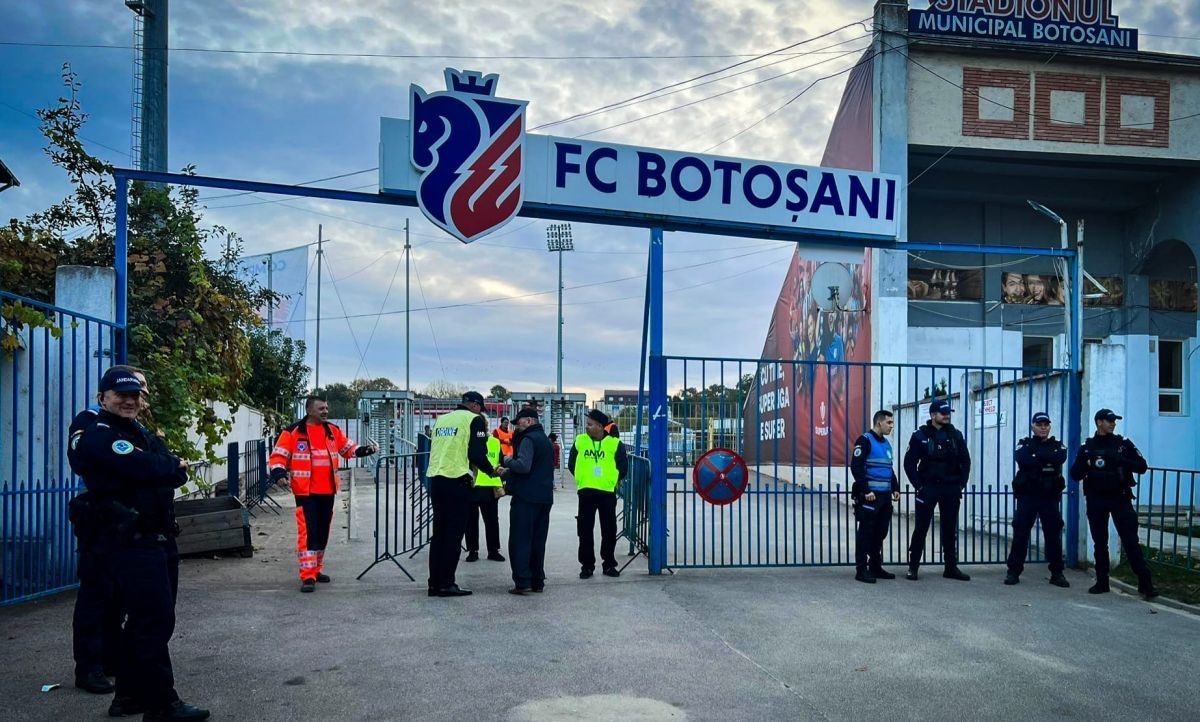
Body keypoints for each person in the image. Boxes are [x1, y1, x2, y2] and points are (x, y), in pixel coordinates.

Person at [70, 367, 209, 721]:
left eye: (135, 395)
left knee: (153, 622)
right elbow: (146, 465)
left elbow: (173, 469)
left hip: (158, 534)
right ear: (103, 398)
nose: (130, 400)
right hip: (131, 541)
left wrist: (160, 467)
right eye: (121, 395)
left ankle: (129, 697)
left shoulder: (139, 431)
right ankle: (162, 704)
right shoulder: (98, 432)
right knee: (151, 620)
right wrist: (160, 467)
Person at [67, 364, 146, 697]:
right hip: (100, 524)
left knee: (118, 598)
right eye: (128, 391)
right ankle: (88, 667)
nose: (136, 397)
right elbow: (84, 460)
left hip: (125, 526)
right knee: (95, 597)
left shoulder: (133, 426)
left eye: (139, 392)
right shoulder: (89, 422)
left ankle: (111, 659)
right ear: (104, 396)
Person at [269, 396, 377, 593]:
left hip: (328, 490)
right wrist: (278, 473)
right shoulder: (293, 431)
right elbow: (278, 455)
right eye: (321, 408)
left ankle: (317, 569)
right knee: (308, 532)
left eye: (327, 408)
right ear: (310, 410)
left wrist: (365, 450)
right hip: (305, 491)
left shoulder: (332, 431)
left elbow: (348, 449)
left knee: (322, 531)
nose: (326, 411)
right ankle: (307, 575)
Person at [1070, 409, 1156, 599]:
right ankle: (1102, 582)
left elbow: (1142, 466)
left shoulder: (1122, 444)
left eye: (1114, 421)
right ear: (1099, 422)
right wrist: (1087, 464)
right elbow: (1075, 474)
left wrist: (1120, 460)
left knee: (1130, 541)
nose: (1112, 424)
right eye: (1109, 421)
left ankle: (1145, 583)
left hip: (1120, 498)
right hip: (1096, 500)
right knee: (1100, 543)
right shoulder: (1088, 446)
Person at [425, 391, 499, 597]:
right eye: (481, 408)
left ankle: (434, 582)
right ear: (475, 405)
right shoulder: (473, 420)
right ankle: (447, 583)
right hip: (458, 479)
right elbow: (477, 453)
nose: (481, 413)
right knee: (454, 534)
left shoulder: (442, 420)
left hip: (437, 479)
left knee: (439, 534)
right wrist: (491, 470)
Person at [903, 398, 972, 581]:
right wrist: (919, 486)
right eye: (943, 413)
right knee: (921, 528)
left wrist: (961, 484)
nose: (946, 415)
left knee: (949, 529)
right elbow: (909, 463)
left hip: (950, 487)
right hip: (929, 487)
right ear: (933, 415)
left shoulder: (956, 435)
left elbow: (965, 461)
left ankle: (951, 567)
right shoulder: (920, 435)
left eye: (948, 413)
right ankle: (913, 567)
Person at [1005, 412, 1069, 588]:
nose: (1043, 427)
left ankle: (1057, 573)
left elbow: (1059, 457)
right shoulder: (1024, 444)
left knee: (1053, 535)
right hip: (1028, 496)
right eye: (1039, 424)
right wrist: (1045, 458)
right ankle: (1013, 572)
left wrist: (1037, 456)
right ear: (1033, 426)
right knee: (1021, 534)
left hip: (1049, 497)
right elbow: (1023, 459)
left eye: (1046, 424)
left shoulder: (1058, 445)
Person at [500, 407, 555, 595]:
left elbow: (523, 466)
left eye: (520, 422)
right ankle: (537, 580)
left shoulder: (528, 439)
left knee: (520, 540)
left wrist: (507, 461)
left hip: (525, 498)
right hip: (544, 497)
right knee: (538, 541)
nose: (517, 426)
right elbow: (537, 468)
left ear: (530, 421)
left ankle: (522, 582)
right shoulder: (546, 441)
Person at [569, 410, 628, 579]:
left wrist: (611, 480)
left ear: (600, 427)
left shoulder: (615, 444)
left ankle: (608, 563)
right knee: (585, 530)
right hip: (586, 492)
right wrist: (582, 478)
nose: (586, 427)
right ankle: (587, 566)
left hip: (607, 493)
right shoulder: (580, 441)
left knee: (609, 530)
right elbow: (571, 463)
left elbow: (623, 467)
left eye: (590, 424)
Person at [850, 410, 900, 584]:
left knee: (880, 533)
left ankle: (875, 567)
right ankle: (861, 570)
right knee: (865, 533)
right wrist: (865, 490)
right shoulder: (865, 441)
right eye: (889, 423)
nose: (891, 426)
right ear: (879, 423)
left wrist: (895, 488)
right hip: (870, 497)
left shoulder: (886, 444)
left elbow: (888, 468)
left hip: (884, 497)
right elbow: (856, 467)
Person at [465, 409, 505, 563]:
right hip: (473, 485)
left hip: (488, 486)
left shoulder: (494, 442)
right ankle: (474, 550)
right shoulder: (469, 442)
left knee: (490, 521)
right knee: (473, 520)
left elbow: (500, 462)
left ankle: (491, 550)